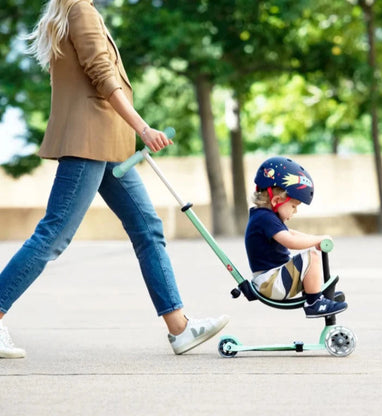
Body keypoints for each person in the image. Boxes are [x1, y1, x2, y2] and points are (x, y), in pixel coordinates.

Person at [0, 0, 229, 359]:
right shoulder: (80, 10)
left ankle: (179, 328)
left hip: (108, 144)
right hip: (89, 142)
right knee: (54, 234)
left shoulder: (74, 12)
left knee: (147, 228)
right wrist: (142, 127)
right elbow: (103, 77)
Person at [244, 156, 347, 318]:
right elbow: (290, 241)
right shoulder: (264, 218)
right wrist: (317, 241)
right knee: (311, 255)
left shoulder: (265, 216)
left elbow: (291, 233)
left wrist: (318, 238)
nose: (295, 211)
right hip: (269, 283)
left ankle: (316, 295)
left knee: (311, 254)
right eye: (293, 206)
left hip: (272, 279)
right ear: (277, 200)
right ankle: (314, 302)